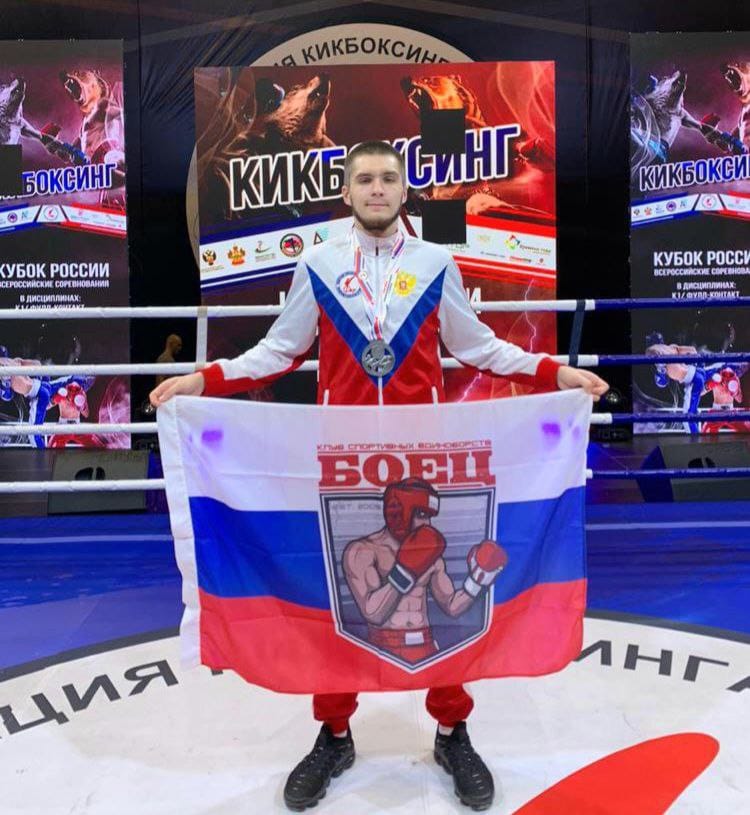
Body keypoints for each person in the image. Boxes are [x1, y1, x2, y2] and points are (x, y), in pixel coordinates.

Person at [150, 140, 608, 812]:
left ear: (403, 189)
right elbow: (279, 351)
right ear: (347, 191)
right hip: (342, 461)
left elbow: (477, 346)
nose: (376, 189)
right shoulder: (318, 264)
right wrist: (203, 378)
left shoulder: (435, 263)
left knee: (439, 597)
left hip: (423, 462)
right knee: (336, 595)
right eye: (364, 179)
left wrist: (555, 372)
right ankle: (334, 733)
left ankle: (452, 730)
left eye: (388, 178)